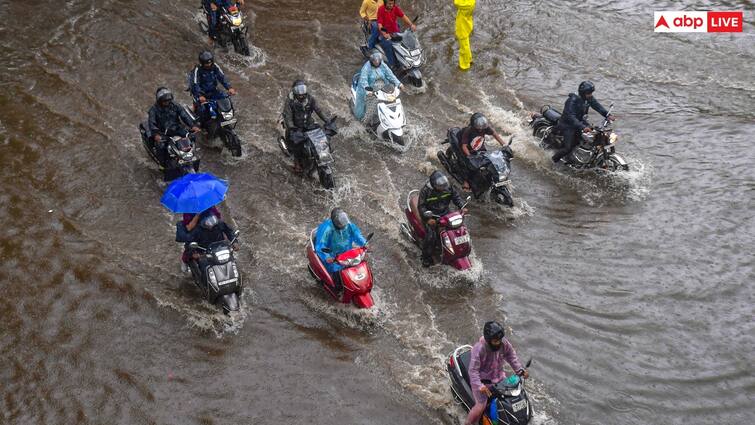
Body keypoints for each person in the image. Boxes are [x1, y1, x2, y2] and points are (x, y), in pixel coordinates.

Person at [465, 321, 529, 425]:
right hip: (482, 382)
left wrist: (520, 370)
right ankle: (468, 423)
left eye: (499, 340)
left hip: (499, 378)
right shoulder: (479, 349)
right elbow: (473, 371)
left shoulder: (504, 343)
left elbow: (512, 357)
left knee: (510, 396)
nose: (498, 343)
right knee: (481, 405)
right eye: (495, 341)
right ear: (488, 340)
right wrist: (480, 386)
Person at [551, 81, 616, 164]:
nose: (590, 95)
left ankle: (585, 155)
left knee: (593, 135)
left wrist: (607, 115)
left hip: (580, 122)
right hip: (568, 125)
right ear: (583, 93)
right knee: (568, 148)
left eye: (591, 93)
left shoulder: (588, 98)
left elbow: (597, 106)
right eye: (589, 93)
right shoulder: (572, 100)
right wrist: (582, 127)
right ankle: (552, 161)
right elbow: (570, 117)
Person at [417, 171, 465, 267]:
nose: (443, 188)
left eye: (444, 186)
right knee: (431, 236)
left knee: (460, 229)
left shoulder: (448, 187)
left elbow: (456, 197)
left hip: (446, 213)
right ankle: (425, 258)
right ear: (434, 185)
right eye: (440, 187)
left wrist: (462, 206)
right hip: (432, 216)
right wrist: (428, 219)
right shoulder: (426, 191)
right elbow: (421, 207)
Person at [282, 80, 332, 172]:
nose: (301, 95)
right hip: (296, 127)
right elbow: (288, 116)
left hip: (308, 124)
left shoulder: (310, 99)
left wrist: (327, 120)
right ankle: (297, 163)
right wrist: (292, 127)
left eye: (303, 93)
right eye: (299, 93)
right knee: (296, 143)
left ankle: (323, 155)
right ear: (295, 92)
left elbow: (319, 110)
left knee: (322, 136)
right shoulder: (290, 101)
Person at [314, 208, 368, 292]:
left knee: (360, 265)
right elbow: (320, 245)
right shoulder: (327, 229)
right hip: (333, 257)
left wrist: (364, 243)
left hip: (347, 254)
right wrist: (327, 257)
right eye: (341, 226)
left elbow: (357, 235)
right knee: (337, 279)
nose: (343, 227)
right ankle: (337, 291)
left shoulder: (348, 225)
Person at [148, 87, 200, 166]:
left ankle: (191, 156)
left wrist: (192, 125)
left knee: (191, 137)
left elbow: (184, 115)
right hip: (162, 132)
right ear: (159, 100)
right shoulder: (154, 110)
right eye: (165, 101)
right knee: (161, 146)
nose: (167, 102)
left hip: (177, 128)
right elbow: (152, 123)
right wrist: (156, 134)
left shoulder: (175, 105)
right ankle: (162, 165)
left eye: (169, 100)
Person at [458, 112, 510, 190]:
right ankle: (466, 181)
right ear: (474, 125)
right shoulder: (468, 131)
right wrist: (470, 156)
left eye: (482, 126)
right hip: (469, 152)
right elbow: (464, 146)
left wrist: (504, 145)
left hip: (481, 150)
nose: (481, 128)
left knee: (492, 162)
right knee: (471, 167)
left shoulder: (485, 128)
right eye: (479, 126)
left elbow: (494, 134)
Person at [353, 51, 402, 121]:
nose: (377, 63)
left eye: (378, 61)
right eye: (375, 62)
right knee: (372, 106)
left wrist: (399, 83)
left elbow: (390, 74)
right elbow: (363, 80)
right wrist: (368, 91)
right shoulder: (366, 68)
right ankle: (364, 121)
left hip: (383, 88)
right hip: (369, 90)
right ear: (371, 61)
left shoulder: (382, 65)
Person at [189, 51, 237, 120]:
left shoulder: (215, 66)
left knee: (225, 98)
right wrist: (200, 95)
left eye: (210, 62)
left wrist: (229, 88)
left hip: (213, 90)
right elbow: (195, 84)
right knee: (202, 111)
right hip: (200, 93)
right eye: (206, 63)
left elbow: (222, 77)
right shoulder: (197, 70)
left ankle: (224, 116)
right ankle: (196, 117)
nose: (209, 65)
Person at [376, 0, 416, 67]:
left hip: (395, 31)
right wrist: (384, 34)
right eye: (389, 4)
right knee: (388, 45)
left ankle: (407, 59)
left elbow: (403, 16)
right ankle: (392, 64)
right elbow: (379, 24)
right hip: (385, 32)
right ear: (385, 3)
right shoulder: (381, 10)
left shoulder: (395, 8)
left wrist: (411, 24)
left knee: (403, 42)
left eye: (392, 4)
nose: (391, 5)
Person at [454, 0, 475, 70]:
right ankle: (469, 59)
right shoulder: (471, 2)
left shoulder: (465, 5)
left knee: (463, 48)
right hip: (466, 26)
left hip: (462, 28)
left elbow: (456, 3)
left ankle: (464, 65)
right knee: (466, 44)